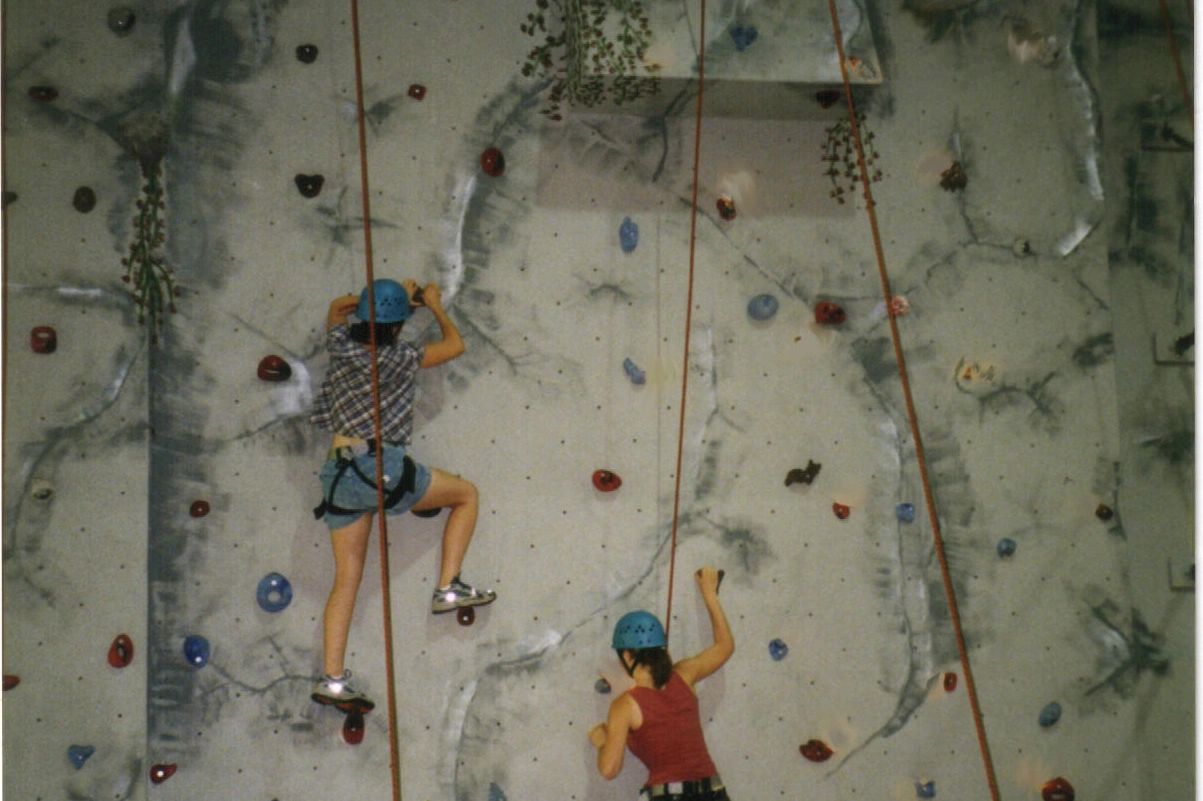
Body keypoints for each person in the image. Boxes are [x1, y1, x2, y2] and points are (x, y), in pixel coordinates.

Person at [309, 278, 496, 713]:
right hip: (380, 468)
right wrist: (431, 305)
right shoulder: (400, 357)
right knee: (466, 495)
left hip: (339, 475)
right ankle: (448, 587)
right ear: (396, 326)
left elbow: (338, 306)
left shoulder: (339, 343)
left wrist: (373, 301)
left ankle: (333, 679)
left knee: (347, 579)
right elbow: (455, 345)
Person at [589, 567, 734, 799]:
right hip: (712, 792)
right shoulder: (684, 675)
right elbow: (725, 646)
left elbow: (609, 769)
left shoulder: (625, 706)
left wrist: (601, 743)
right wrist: (709, 593)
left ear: (627, 656)